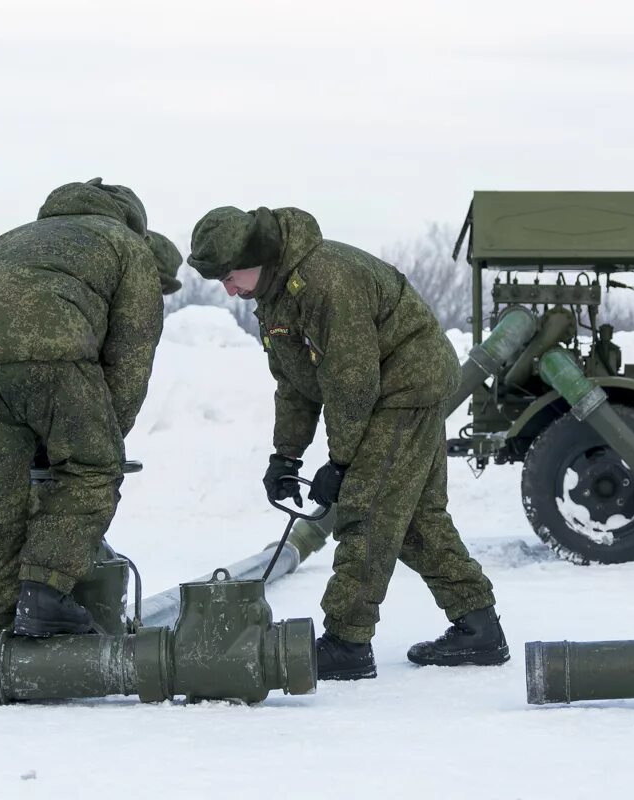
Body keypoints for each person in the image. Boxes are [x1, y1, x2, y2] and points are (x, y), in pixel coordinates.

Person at [187, 205, 508, 680]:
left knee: (368, 509)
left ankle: (347, 643)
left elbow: (350, 382)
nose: (229, 290)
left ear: (258, 256)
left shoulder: (325, 280)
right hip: (384, 392)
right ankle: (478, 627)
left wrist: (341, 463)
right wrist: (285, 455)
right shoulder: (276, 296)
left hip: (404, 389)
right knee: (416, 517)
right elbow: (295, 384)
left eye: (231, 277)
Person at [0, 178, 172, 666]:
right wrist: (109, 431)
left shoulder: (15, 236)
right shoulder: (127, 246)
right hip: (56, 355)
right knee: (91, 467)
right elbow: (131, 355)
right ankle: (43, 593)